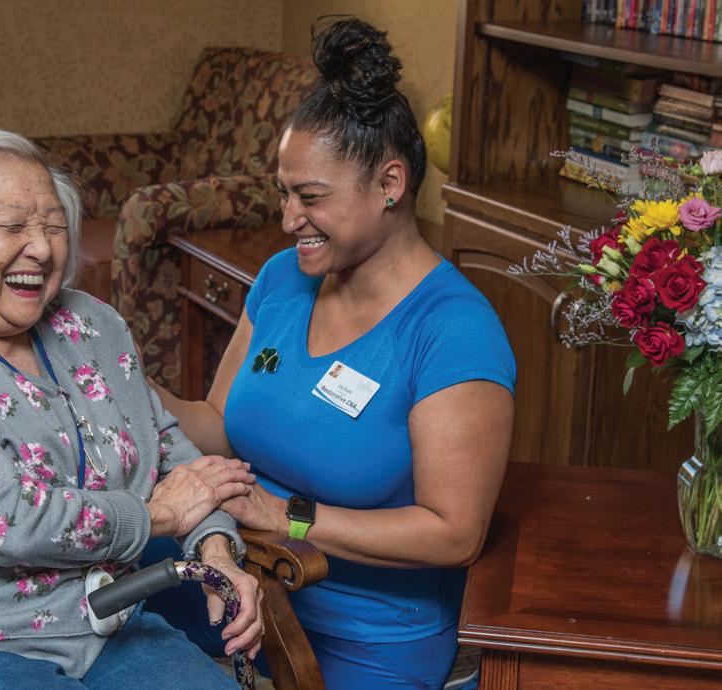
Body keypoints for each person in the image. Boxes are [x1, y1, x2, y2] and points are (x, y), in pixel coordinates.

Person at [149, 18, 516, 690]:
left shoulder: (453, 332)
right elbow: (218, 422)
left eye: (310, 197)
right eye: (284, 193)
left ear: (390, 184)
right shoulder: (282, 278)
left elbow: (454, 533)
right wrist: (121, 383)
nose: (288, 219)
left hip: (362, 639)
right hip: (238, 586)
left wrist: (284, 516)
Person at [0, 127, 263, 690]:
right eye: (12, 226)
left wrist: (216, 552)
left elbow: (175, 460)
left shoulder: (92, 325)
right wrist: (160, 516)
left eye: (54, 226)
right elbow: (12, 521)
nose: (41, 248)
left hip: (109, 620)